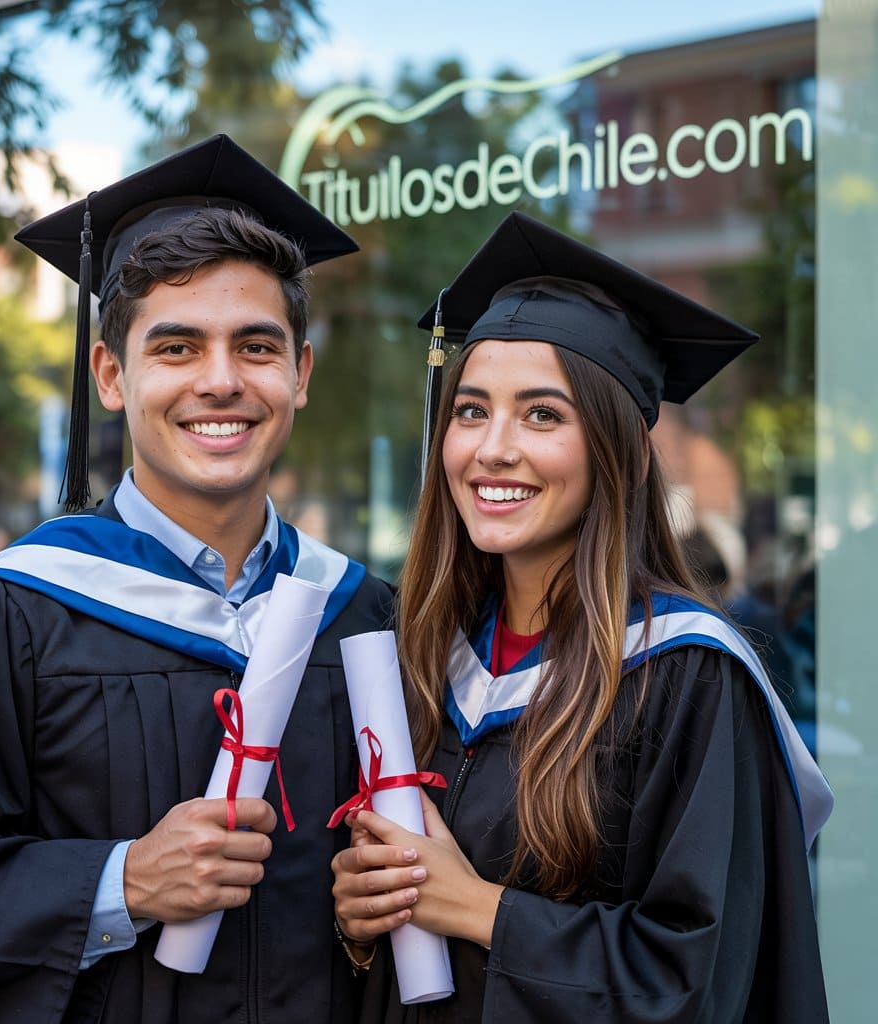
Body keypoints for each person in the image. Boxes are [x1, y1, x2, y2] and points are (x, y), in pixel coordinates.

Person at [0, 134, 393, 1023]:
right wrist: (122, 881)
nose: (221, 381)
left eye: (256, 347)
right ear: (111, 375)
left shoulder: (364, 616)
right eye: (176, 348)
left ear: (299, 374)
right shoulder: (7, 614)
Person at [331, 211, 833, 1022]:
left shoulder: (686, 675)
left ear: (620, 450)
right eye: (470, 411)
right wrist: (363, 923)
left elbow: (698, 979)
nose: (492, 448)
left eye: (542, 414)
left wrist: (476, 908)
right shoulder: (424, 658)